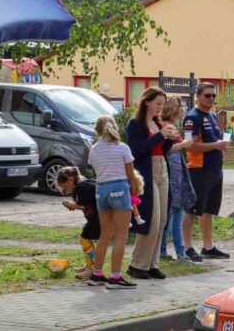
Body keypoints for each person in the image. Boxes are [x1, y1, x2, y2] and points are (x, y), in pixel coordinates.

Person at [125, 87, 177, 280]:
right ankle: (137, 264)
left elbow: (163, 149)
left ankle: (152, 264)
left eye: (162, 104)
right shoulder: (135, 124)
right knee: (151, 219)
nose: (160, 108)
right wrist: (161, 135)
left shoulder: (158, 123)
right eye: (158, 103)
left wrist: (169, 138)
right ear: (147, 101)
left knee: (162, 219)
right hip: (146, 171)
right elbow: (137, 149)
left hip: (162, 169)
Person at [87, 115, 137, 289]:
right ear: (115, 128)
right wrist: (134, 190)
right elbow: (130, 174)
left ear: (97, 131)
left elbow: (95, 168)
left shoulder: (94, 149)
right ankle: (115, 276)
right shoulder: (122, 147)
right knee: (121, 235)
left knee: (105, 235)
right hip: (120, 189)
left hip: (101, 190)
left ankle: (97, 274)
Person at [182, 83, 230, 262]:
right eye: (207, 95)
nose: (211, 99)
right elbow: (190, 146)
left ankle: (208, 247)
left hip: (214, 169)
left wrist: (221, 146)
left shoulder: (212, 116)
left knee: (209, 209)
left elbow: (214, 140)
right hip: (198, 170)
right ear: (198, 96)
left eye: (213, 96)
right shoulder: (192, 118)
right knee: (192, 209)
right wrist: (215, 145)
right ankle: (187, 247)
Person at [159, 98, 195, 262]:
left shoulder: (166, 125)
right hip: (174, 176)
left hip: (174, 173)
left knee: (168, 216)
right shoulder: (168, 127)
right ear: (174, 108)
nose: (184, 110)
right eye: (182, 107)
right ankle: (180, 252)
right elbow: (168, 149)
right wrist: (184, 144)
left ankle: (162, 251)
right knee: (176, 214)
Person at [57, 166, 100, 279]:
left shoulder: (82, 186)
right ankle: (91, 265)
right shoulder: (84, 185)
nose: (65, 190)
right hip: (97, 217)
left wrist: (71, 205)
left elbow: (83, 206)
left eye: (65, 187)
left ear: (71, 179)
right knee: (86, 239)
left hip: (98, 218)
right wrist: (72, 205)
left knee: (85, 239)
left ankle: (92, 268)